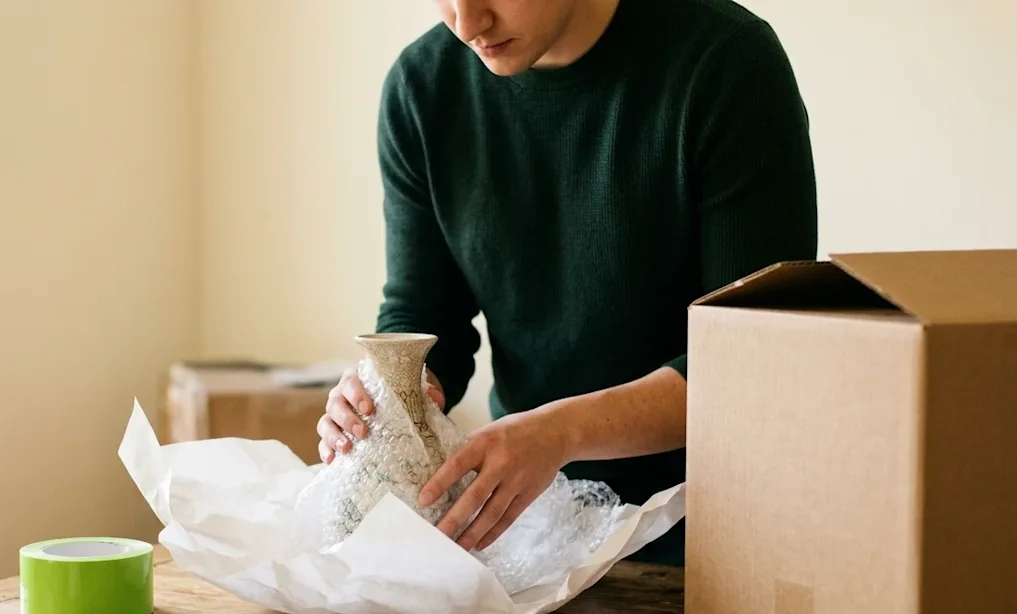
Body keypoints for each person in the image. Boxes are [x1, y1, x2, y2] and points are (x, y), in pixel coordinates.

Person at [316, 0, 817, 566]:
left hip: (719, 533)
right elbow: (426, 311)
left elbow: (753, 363)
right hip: (533, 532)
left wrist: (564, 432)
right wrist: (389, 390)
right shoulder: (423, 88)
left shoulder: (724, 63)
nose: (466, 22)